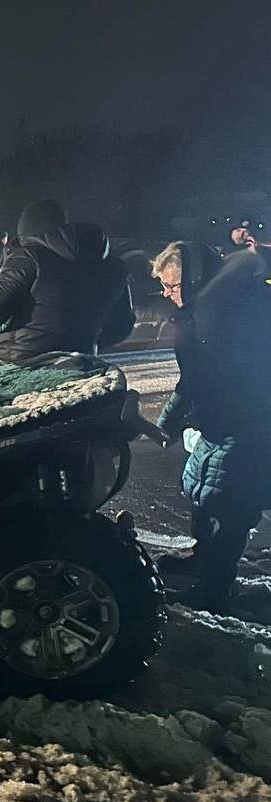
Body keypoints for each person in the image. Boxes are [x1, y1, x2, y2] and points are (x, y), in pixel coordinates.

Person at [152, 241, 271, 611]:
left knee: (231, 509)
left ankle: (215, 589)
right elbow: (194, 379)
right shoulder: (205, 308)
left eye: (172, 286)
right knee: (203, 493)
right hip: (220, 424)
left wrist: (170, 422)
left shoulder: (229, 311)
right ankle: (204, 557)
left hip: (247, 426)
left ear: (192, 277)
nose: (168, 294)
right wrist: (169, 423)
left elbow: (209, 377)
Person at [0, 199, 135, 362]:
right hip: (82, 357)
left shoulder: (28, 257)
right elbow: (123, 325)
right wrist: (84, 341)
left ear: (24, 232)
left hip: (21, 359)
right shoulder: (113, 265)